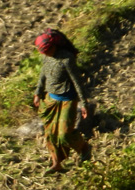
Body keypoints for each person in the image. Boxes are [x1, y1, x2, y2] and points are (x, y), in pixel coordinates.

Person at [32, 28, 92, 173]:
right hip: (50, 100)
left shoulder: (67, 59)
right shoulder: (47, 58)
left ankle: (84, 148)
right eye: (43, 52)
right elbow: (43, 75)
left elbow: (77, 82)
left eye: (46, 51)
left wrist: (84, 103)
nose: (44, 54)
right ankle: (56, 163)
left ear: (54, 47)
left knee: (65, 134)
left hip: (67, 100)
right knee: (50, 134)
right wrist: (38, 93)